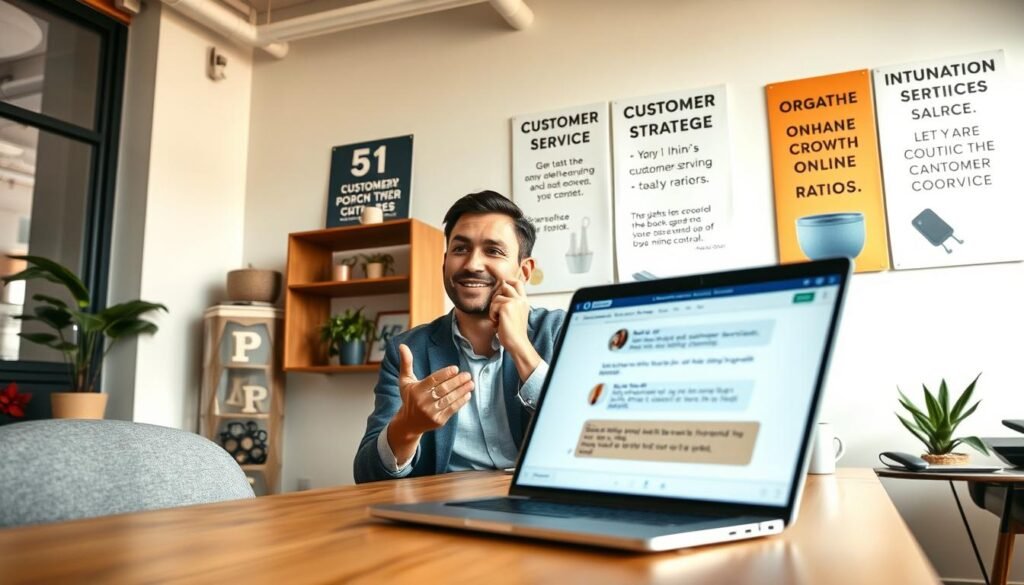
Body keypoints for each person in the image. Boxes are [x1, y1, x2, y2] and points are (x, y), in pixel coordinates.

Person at [353, 191, 566, 483]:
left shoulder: (561, 331)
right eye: (460, 249)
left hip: (544, 510)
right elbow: (367, 477)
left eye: (493, 251)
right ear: (444, 263)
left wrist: (520, 346)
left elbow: (592, 437)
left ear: (524, 270)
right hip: (444, 514)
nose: (472, 264)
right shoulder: (408, 351)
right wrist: (407, 426)